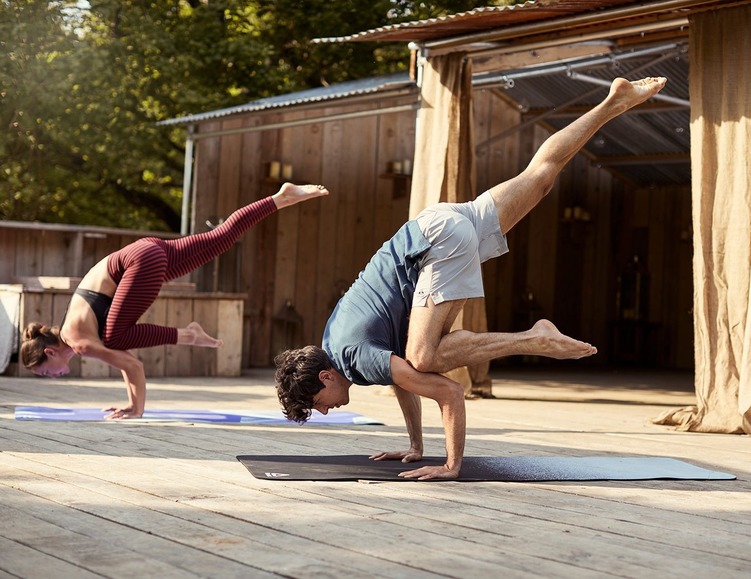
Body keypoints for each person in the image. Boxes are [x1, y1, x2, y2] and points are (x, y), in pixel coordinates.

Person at [274, 77, 668, 480]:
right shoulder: (334, 343)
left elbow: (448, 390)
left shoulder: (354, 357)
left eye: (317, 403)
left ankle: (533, 338)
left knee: (425, 357)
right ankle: (613, 101)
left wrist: (450, 465)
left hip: (436, 245)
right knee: (543, 175)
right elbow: (403, 382)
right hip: (439, 224)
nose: (325, 410)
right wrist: (415, 445)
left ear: (325, 378)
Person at [21, 182, 329, 419]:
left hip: (139, 262)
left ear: (51, 351)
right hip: (145, 255)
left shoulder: (79, 342)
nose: (53, 377)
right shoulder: (76, 333)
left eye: (47, 370)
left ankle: (189, 334)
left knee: (114, 337)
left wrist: (136, 409)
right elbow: (126, 361)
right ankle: (281, 197)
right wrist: (131, 401)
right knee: (221, 238)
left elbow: (132, 365)